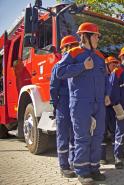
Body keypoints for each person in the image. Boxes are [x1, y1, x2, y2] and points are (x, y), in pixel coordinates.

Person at [56, 22, 107, 185]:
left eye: (98, 36)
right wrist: (81, 66)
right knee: (83, 137)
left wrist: (106, 95)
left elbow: (104, 79)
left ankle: (94, 168)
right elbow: (59, 72)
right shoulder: (74, 53)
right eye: (95, 36)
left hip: (99, 102)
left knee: (98, 136)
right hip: (80, 103)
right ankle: (82, 171)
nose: (98, 39)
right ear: (85, 36)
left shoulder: (100, 56)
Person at [50, 35, 78, 178]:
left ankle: (73, 162)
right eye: (71, 47)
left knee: (74, 134)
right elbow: (53, 89)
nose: (74, 50)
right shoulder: (58, 67)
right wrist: (54, 105)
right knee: (63, 135)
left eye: (75, 47)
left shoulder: (77, 67)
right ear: (64, 49)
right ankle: (64, 166)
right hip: (63, 103)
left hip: (76, 103)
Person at [100, 56, 120, 165]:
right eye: (113, 64)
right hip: (103, 108)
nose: (115, 66)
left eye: (116, 64)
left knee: (114, 131)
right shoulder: (102, 77)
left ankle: (116, 155)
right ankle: (101, 157)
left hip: (112, 108)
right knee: (102, 132)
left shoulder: (114, 76)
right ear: (107, 65)